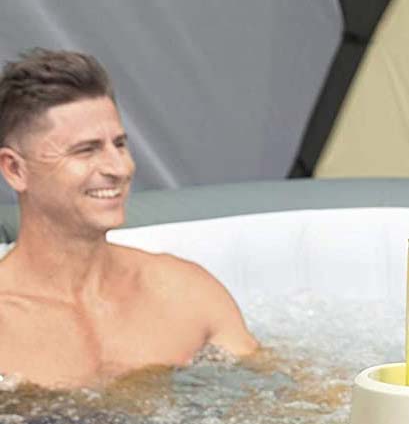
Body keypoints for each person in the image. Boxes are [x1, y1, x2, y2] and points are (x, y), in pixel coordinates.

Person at [0, 48, 258, 389]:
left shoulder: (186, 293)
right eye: (86, 150)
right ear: (15, 170)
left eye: (119, 145)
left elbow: (277, 395)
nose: (120, 168)